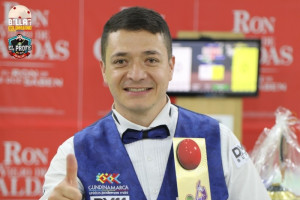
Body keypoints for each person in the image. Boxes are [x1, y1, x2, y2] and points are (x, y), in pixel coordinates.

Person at [40, 6, 271, 200]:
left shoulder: (218, 139)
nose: (137, 74)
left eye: (151, 60)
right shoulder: (74, 153)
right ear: (104, 70)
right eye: (121, 61)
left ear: (171, 67)